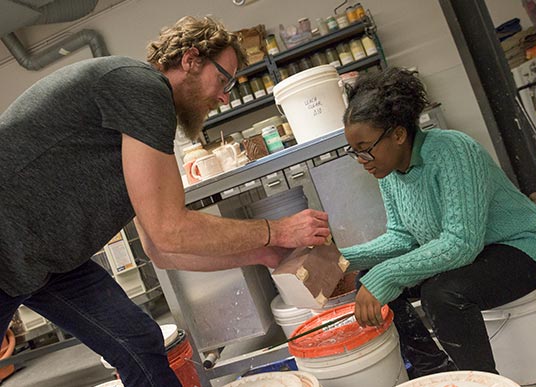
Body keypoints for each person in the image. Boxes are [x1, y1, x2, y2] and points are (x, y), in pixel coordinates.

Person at [0, 16, 329, 387]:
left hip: (46, 259)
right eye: (223, 79)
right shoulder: (140, 86)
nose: (225, 96)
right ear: (190, 59)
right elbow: (171, 231)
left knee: (137, 342)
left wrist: (260, 254)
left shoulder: (139, 115)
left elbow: (160, 250)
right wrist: (278, 231)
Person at [339, 67, 536, 378]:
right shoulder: (387, 172)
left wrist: (386, 274)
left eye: (365, 150)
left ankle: (480, 381)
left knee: (441, 293)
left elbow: (461, 243)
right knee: (369, 279)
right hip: (478, 253)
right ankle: (433, 369)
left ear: (399, 134)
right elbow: (402, 238)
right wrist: (340, 261)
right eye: (355, 152)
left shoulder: (452, 151)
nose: (362, 160)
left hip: (522, 248)